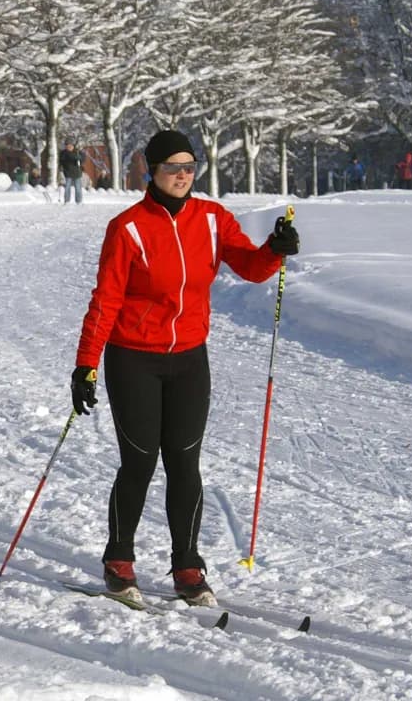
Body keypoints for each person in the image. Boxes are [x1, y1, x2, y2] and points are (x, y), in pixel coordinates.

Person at [70, 129, 299, 607]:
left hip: (189, 359)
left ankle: (187, 565)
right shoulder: (128, 227)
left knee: (185, 464)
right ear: (151, 171)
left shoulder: (213, 219)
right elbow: (106, 300)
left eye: (189, 167)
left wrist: (275, 249)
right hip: (134, 357)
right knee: (140, 461)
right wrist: (86, 365)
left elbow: (252, 268)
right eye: (172, 167)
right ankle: (119, 559)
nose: (181, 176)